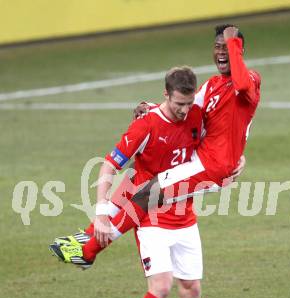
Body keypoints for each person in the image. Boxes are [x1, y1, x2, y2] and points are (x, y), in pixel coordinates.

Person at [50, 66, 220, 298]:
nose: (184, 111)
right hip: (150, 216)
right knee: (161, 286)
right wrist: (100, 213)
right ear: (165, 96)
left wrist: (234, 161)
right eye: (178, 104)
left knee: (193, 290)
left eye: (188, 104)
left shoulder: (197, 115)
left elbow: (219, 142)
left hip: (185, 216)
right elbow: (110, 165)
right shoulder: (148, 125)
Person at [54, 24, 260, 265]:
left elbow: (243, 86)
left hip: (213, 167)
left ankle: (88, 252)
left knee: (147, 194)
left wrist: (232, 40)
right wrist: (153, 109)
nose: (222, 52)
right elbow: (187, 110)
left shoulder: (251, 79)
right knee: (135, 178)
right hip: (201, 159)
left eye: (228, 47)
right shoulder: (212, 85)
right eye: (217, 47)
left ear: (239, 50)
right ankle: (86, 236)